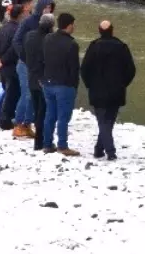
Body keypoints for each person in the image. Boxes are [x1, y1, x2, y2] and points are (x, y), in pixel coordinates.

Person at [81, 19, 136, 160]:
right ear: (112, 30)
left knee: (103, 122)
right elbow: (131, 70)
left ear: (99, 31)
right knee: (108, 122)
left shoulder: (93, 47)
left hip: (97, 91)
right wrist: (123, 84)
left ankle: (105, 150)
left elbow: (84, 69)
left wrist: (89, 85)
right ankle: (103, 150)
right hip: (116, 91)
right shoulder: (122, 47)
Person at [12, 0, 54, 139]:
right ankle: (18, 124)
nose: (48, 9)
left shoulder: (49, 24)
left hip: (39, 66)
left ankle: (27, 124)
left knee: (35, 95)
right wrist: (25, 57)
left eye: (50, 7)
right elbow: (16, 40)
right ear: (41, 7)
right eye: (46, 7)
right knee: (27, 95)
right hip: (25, 65)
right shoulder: (28, 21)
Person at [41, 12, 81, 156]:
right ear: (69, 25)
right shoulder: (72, 44)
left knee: (50, 114)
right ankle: (62, 146)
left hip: (48, 82)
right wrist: (74, 86)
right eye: (73, 24)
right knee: (63, 117)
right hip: (64, 85)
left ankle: (47, 144)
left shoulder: (48, 38)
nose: (74, 27)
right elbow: (74, 69)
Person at [0, 0, 30, 130]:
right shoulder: (18, 30)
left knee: (6, 92)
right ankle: (5, 120)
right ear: (19, 15)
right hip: (11, 66)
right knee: (11, 94)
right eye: (24, 13)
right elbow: (14, 49)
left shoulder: (2, 28)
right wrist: (2, 60)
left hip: (1, 66)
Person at [23, 12, 55, 152]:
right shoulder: (49, 39)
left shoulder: (29, 35)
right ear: (51, 26)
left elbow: (24, 53)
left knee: (37, 110)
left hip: (31, 77)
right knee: (44, 112)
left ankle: (38, 141)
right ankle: (40, 142)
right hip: (43, 79)